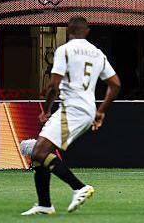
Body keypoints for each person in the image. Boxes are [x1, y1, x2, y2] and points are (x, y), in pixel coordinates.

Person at [22, 16, 120, 216]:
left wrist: (46, 109)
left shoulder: (64, 50)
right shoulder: (97, 53)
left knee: (38, 152)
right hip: (87, 109)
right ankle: (44, 204)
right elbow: (115, 84)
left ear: (68, 31)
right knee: (42, 153)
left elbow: (54, 85)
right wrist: (101, 111)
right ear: (88, 31)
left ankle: (79, 187)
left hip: (72, 109)